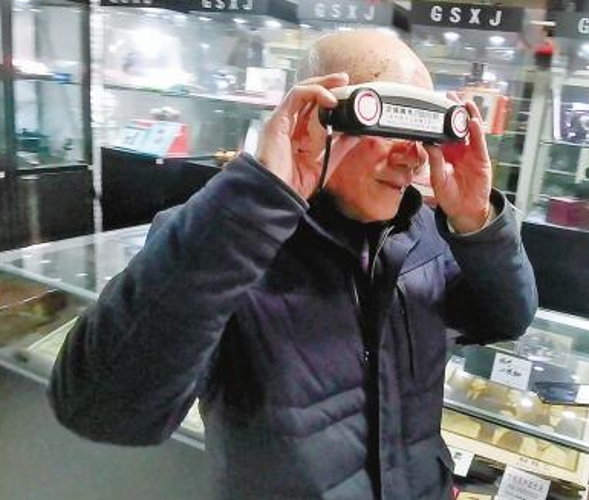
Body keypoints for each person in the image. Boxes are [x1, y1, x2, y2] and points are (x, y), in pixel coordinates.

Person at [48, 30, 537, 500]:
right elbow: (103, 409)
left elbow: (506, 319)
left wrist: (478, 222)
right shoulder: (227, 239)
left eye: (424, 130)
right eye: (391, 122)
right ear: (317, 117)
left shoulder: (426, 233)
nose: (414, 157)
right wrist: (254, 204)